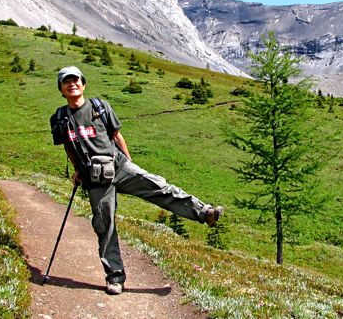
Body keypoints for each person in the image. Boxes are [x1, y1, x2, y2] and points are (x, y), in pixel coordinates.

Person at [50, 66, 223, 295]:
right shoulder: (60, 118)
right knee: (105, 226)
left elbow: (116, 136)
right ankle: (115, 278)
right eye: (66, 81)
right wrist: (77, 169)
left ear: (83, 83)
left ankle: (204, 213)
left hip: (119, 167)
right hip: (95, 181)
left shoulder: (100, 107)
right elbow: (68, 147)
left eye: (76, 80)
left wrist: (129, 162)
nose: (72, 84)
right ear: (61, 89)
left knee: (159, 187)